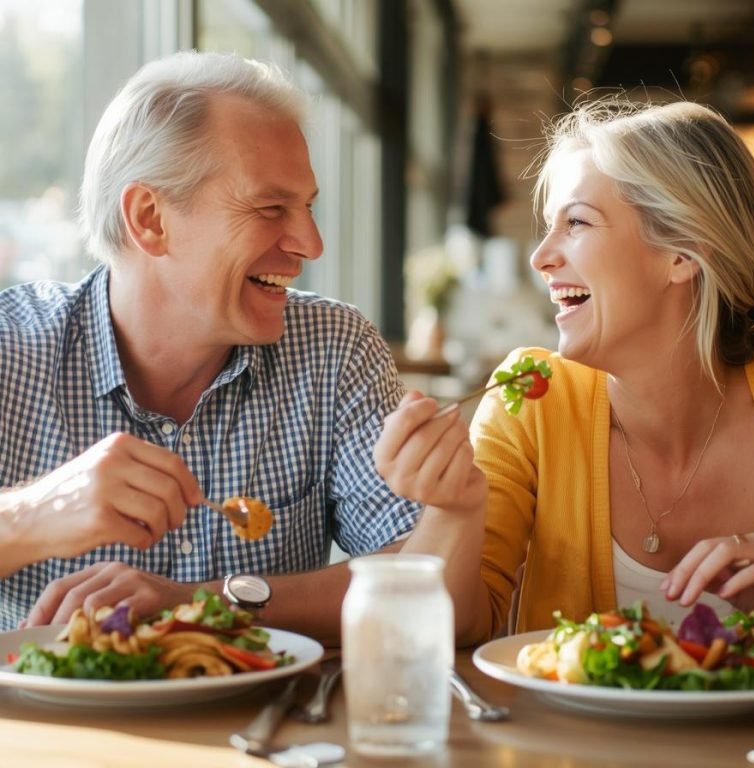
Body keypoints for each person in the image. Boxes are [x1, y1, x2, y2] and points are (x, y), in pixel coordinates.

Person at [0, 50, 473, 642]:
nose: (311, 244)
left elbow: (424, 582)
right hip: (48, 734)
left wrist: (208, 602)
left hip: (275, 732)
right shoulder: (10, 348)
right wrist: (29, 515)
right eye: (272, 208)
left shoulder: (333, 349)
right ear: (150, 218)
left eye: (308, 207)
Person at [377, 97, 754, 645]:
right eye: (548, 226)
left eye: (577, 222)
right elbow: (438, 633)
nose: (540, 257)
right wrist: (453, 508)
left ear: (682, 252)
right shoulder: (532, 402)